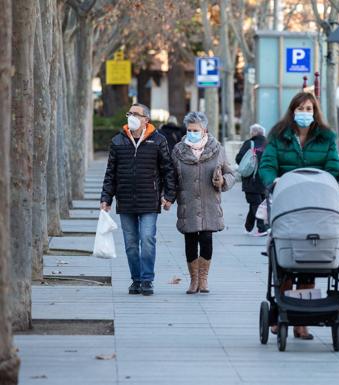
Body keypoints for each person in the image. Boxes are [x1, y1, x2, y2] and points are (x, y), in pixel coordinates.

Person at [258, 91, 339, 340]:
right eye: (301, 108)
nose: (305, 113)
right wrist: (274, 181)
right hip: (287, 204)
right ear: (293, 110)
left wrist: (327, 183)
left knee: (311, 260)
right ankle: (283, 310)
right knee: (284, 261)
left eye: (309, 109)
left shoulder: (326, 138)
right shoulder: (279, 136)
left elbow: (333, 167)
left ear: (315, 112)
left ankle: (302, 320)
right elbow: (268, 165)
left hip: (316, 204)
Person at [100, 103, 177, 296]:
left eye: (136, 114)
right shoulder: (118, 141)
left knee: (147, 239)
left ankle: (147, 280)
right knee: (131, 244)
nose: (131, 116)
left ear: (146, 120)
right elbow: (110, 172)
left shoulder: (158, 140)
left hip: (149, 200)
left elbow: (167, 169)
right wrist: (106, 198)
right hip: (125, 200)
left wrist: (169, 196)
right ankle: (136, 279)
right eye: (130, 113)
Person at [172, 112, 235, 295]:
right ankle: (193, 280)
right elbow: (171, 177)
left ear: (204, 129)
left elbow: (231, 174)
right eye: (189, 130)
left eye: (196, 130)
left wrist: (222, 181)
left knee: (206, 239)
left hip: (209, 204)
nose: (192, 133)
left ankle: (203, 279)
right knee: (190, 240)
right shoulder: (178, 151)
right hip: (188, 204)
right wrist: (167, 197)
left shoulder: (217, 149)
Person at [235, 124, 269, 236]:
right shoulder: (269, 144)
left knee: (256, 204)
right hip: (265, 181)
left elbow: (239, 158)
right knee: (257, 203)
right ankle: (248, 227)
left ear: (253, 133)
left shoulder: (249, 143)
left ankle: (262, 228)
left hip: (251, 180)